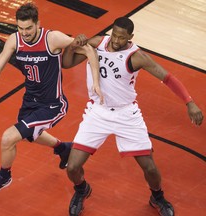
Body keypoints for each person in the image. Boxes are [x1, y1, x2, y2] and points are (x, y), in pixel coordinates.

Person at [62, 17, 204, 216]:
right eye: (114, 35)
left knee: (151, 169)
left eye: (121, 38)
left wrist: (190, 102)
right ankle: (81, 189)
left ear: (130, 37)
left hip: (126, 114)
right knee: (72, 167)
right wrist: (72, 46)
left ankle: (157, 196)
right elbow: (66, 64)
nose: (116, 41)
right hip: (98, 112)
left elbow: (168, 78)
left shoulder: (137, 57)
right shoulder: (98, 43)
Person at [0, 3, 102, 198]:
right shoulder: (15, 40)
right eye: (20, 28)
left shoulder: (52, 38)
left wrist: (96, 82)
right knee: (31, 134)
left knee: (8, 138)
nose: (25, 33)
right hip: (30, 100)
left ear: (38, 23)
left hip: (52, 104)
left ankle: (3, 176)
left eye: (29, 28)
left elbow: (89, 49)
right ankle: (63, 148)